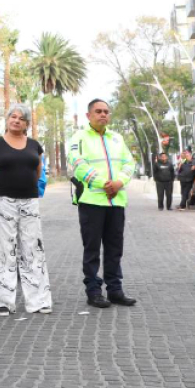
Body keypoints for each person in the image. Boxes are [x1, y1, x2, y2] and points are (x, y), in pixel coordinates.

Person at [0, 104, 52, 317]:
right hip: (3, 202)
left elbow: (37, 171)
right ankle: (3, 301)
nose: (16, 120)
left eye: (21, 118)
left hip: (29, 202)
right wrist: (1, 191)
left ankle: (38, 301)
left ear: (27, 124)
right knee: (4, 250)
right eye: (13, 116)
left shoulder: (34, 145)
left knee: (32, 249)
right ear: (7, 119)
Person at [68, 99, 137, 309]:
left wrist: (119, 182)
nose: (103, 114)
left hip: (116, 202)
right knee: (92, 249)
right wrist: (103, 183)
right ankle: (94, 291)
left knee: (115, 248)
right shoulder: (79, 137)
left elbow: (129, 163)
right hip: (92, 202)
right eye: (98, 111)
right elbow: (78, 165)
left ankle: (115, 290)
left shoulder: (117, 138)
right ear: (89, 115)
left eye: (106, 111)